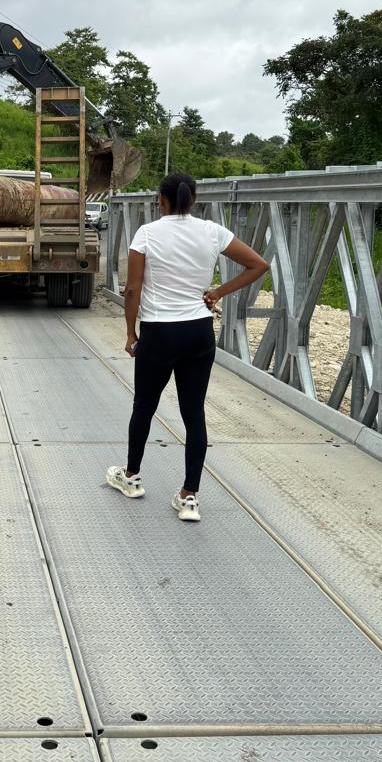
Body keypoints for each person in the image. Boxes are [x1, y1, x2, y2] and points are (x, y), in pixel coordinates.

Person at [107, 172, 269, 521]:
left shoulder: (147, 233)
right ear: (193, 200)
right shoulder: (212, 231)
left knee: (144, 406)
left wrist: (131, 333)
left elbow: (132, 289)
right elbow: (259, 264)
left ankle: (131, 477)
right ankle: (189, 496)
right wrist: (218, 292)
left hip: (159, 332)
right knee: (193, 413)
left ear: (161, 201)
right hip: (198, 331)